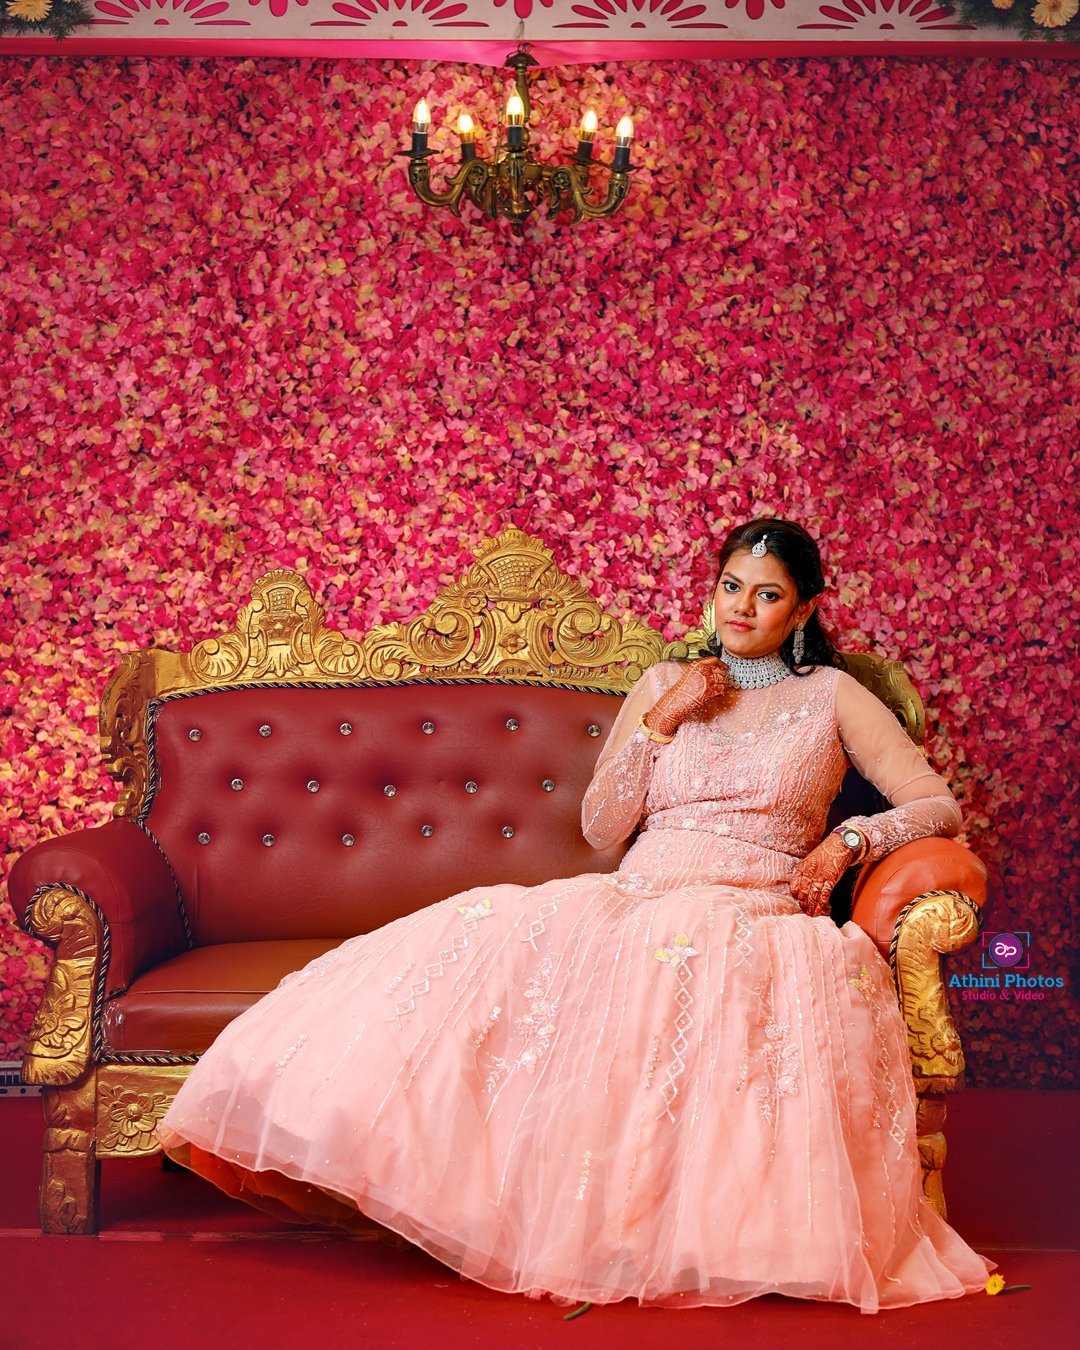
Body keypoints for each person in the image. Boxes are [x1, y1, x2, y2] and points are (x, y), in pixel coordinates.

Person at [158, 518, 994, 1313]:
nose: (739, 608)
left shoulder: (833, 697)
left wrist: (850, 839)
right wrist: (659, 725)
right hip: (636, 893)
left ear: (805, 609)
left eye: (766, 594)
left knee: (694, 966)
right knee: (481, 948)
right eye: (729, 587)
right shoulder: (666, 684)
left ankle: (698, 1232)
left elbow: (935, 804)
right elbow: (602, 826)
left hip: (752, 904)